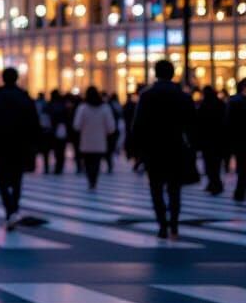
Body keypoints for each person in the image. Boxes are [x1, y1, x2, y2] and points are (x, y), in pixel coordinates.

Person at [130, 59, 196, 239]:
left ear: (156, 73)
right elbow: (192, 125)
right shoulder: (183, 96)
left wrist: (138, 150)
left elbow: (137, 125)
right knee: (174, 189)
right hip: (176, 147)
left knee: (156, 188)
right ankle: (174, 224)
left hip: (154, 149)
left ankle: (162, 225)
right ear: (172, 73)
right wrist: (192, 147)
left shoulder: (147, 95)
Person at [0, 67, 39, 229]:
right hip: (20, 145)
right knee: (17, 179)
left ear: (3, 78)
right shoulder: (24, 97)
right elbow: (33, 123)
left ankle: (10, 210)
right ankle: (14, 208)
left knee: (1, 181)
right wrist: (34, 145)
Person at [71, 86, 115, 191]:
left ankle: (90, 180)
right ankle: (94, 180)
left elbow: (76, 125)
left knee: (88, 162)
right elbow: (111, 127)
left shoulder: (83, 108)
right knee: (96, 162)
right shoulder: (105, 108)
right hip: (100, 141)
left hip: (86, 141)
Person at [196, 85, 227, 196]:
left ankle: (214, 184)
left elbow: (199, 122)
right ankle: (215, 184)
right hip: (218, 139)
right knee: (216, 164)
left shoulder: (204, 105)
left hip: (207, 140)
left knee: (209, 164)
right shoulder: (220, 104)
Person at [225, 79, 246, 202]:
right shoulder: (236, 101)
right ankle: (239, 191)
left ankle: (239, 192)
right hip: (240, 139)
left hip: (239, 139)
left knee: (242, 166)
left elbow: (228, 121)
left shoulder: (234, 101)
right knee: (242, 166)